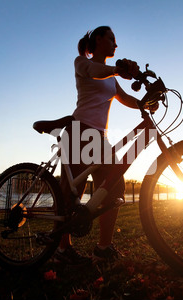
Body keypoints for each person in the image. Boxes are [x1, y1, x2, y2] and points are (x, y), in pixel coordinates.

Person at [53, 26, 153, 266]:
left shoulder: (110, 77)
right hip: (79, 130)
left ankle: (103, 248)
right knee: (70, 193)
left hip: (100, 135)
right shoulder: (83, 63)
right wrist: (117, 70)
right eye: (111, 39)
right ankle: (62, 248)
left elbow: (123, 97)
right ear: (98, 39)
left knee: (114, 186)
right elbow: (94, 71)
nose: (115, 45)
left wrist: (144, 105)